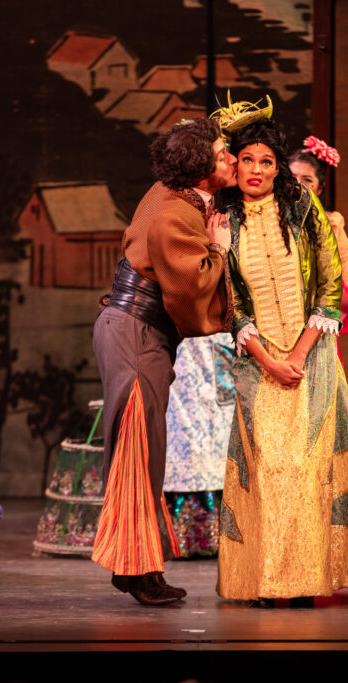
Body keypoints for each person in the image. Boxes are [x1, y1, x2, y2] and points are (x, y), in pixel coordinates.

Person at [212, 104, 348, 606]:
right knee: (267, 468)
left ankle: (308, 577)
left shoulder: (304, 209)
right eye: (248, 160)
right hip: (256, 362)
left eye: (267, 161)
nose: (257, 170)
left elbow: (331, 282)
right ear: (237, 164)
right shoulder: (223, 218)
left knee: (308, 467)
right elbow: (230, 299)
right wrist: (269, 360)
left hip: (311, 357)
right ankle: (265, 581)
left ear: (277, 168)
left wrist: (301, 352)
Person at [92, 118, 234, 606]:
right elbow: (191, 284)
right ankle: (139, 569)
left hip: (134, 332)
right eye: (222, 154)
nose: (232, 159)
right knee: (137, 452)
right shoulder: (175, 213)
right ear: (199, 169)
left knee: (144, 453)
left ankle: (134, 565)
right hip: (135, 333)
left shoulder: (173, 194)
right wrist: (219, 248)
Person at [162, 330, 235, 558]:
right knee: (184, 436)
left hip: (218, 349)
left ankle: (221, 533)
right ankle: (182, 536)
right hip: (183, 352)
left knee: (219, 436)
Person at [290, 138, 348, 344]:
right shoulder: (265, 220)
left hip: (317, 328)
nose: (297, 186)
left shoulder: (332, 226)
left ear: (320, 188)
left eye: (307, 180)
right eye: (292, 177)